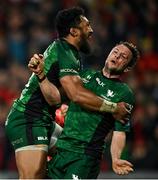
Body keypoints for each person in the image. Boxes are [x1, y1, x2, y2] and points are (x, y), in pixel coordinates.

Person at [5, 7, 129, 179]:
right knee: (32, 178)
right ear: (73, 31)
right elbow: (76, 94)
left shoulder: (70, 53)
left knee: (75, 148)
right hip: (28, 119)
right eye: (87, 26)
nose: (91, 31)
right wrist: (114, 107)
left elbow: (56, 98)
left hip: (43, 119)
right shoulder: (65, 52)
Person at [46, 41, 140, 179]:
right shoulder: (85, 75)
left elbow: (120, 131)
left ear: (127, 68)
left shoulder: (124, 93)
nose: (117, 56)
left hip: (85, 156)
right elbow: (61, 97)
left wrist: (116, 158)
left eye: (123, 57)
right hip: (61, 150)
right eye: (115, 52)